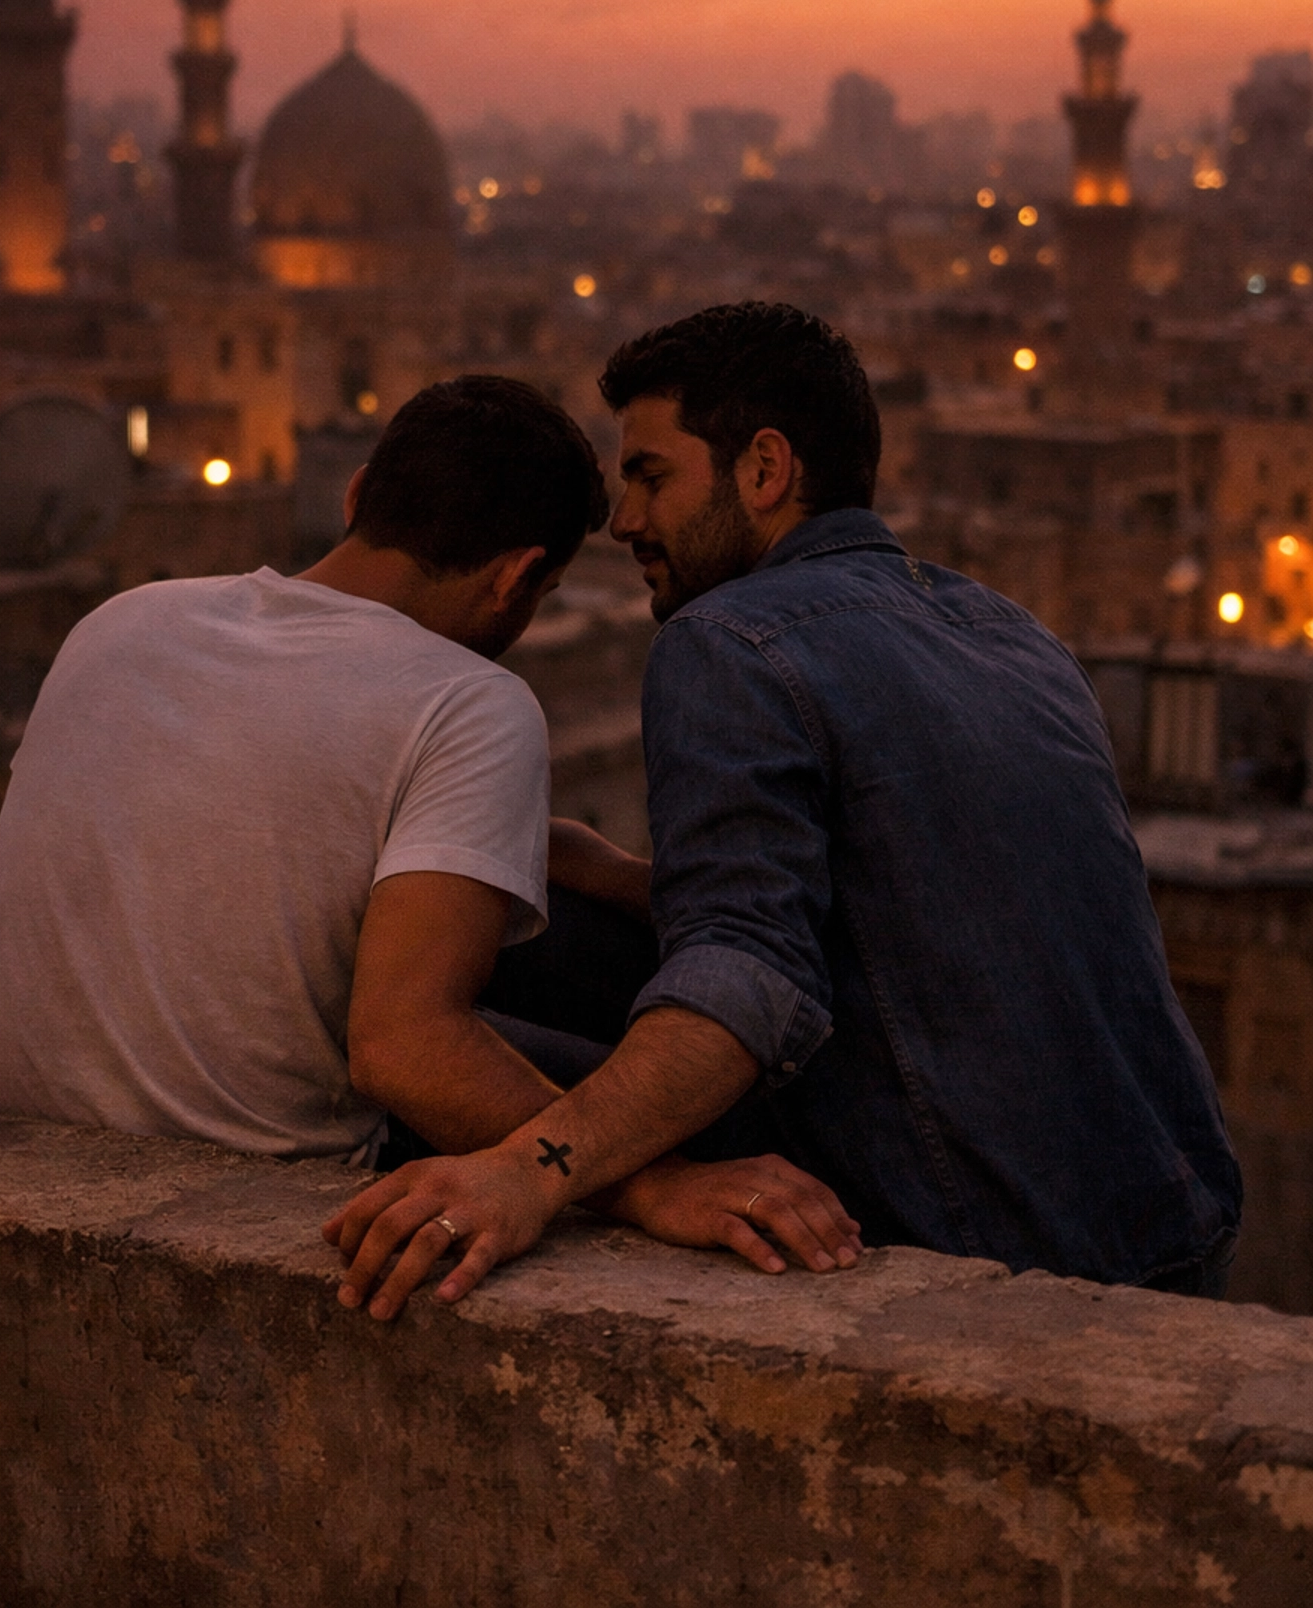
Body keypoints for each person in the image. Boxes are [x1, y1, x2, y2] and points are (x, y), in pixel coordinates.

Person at [327, 303, 1241, 1318]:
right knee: (536, 910)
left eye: (652, 477)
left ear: (764, 470)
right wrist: (605, 870)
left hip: (971, 1229)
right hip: (1170, 1227)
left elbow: (752, 983)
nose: (626, 522)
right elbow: (909, 899)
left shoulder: (730, 640)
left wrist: (526, 1171)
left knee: (419, 1016)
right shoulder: (1008, 630)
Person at [0, 375, 625, 1162]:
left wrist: (574, 855)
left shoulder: (122, 621)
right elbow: (405, 1054)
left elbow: (267, 806)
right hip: (243, 1182)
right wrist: (647, 1182)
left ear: (358, 495)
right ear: (515, 575)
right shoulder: (470, 701)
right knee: (659, 1097)